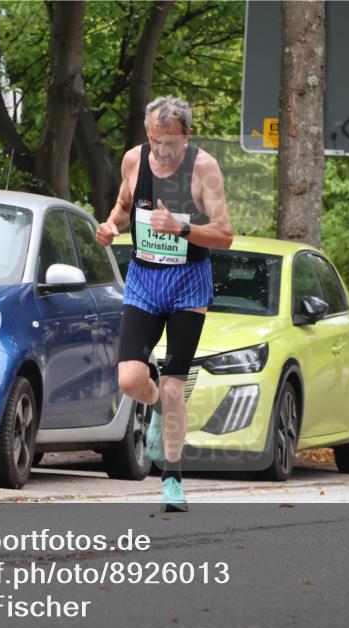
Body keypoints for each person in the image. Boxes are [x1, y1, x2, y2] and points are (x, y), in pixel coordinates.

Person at [95, 96, 233, 511]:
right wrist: (109, 227)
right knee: (130, 381)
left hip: (188, 284)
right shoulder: (133, 160)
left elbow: (225, 234)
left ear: (186, 136)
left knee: (174, 386)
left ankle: (172, 478)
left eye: (170, 143)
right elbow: (123, 207)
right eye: (155, 140)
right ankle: (154, 406)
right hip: (143, 280)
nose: (161, 151)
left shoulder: (204, 168)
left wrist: (182, 227)